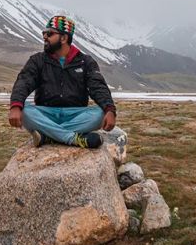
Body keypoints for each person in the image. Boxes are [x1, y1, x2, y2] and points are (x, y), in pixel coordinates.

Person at [8, 15, 117, 148]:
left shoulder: (85, 62)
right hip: (46, 113)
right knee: (24, 111)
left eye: (49, 33)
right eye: (44, 33)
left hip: (76, 114)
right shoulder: (37, 60)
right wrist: (15, 106)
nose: (44, 37)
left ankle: (48, 136)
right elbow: (24, 81)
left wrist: (110, 110)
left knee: (100, 113)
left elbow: (98, 87)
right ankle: (72, 138)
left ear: (64, 38)